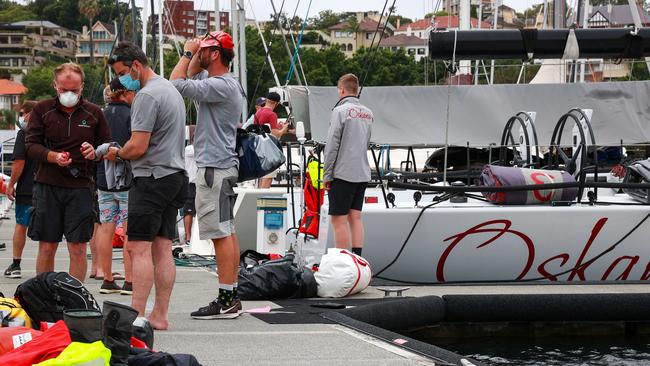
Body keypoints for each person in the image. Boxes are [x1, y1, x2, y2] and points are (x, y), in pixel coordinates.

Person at [105, 41, 187, 330]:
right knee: (163, 247)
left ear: (136, 66)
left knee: (137, 248)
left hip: (151, 178)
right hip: (175, 176)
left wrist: (117, 153)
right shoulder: (170, 90)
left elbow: (138, 146)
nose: (123, 80)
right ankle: (159, 315)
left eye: (123, 73)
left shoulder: (147, 96)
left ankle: (135, 316)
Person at [170, 31, 243, 319]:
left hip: (214, 168)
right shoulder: (222, 83)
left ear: (214, 54)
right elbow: (190, 76)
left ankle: (226, 300)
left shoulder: (220, 85)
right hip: (222, 165)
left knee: (220, 235)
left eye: (205, 49)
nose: (199, 52)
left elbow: (176, 83)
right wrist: (199, 56)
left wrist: (188, 52)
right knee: (228, 232)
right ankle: (231, 297)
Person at [25, 62, 111, 282]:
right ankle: (42, 296)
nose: (69, 94)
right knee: (47, 245)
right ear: (55, 86)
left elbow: (107, 146)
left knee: (78, 246)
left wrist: (94, 152)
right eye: (64, 89)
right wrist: (53, 157)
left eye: (74, 89)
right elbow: (31, 145)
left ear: (82, 86)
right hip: (48, 184)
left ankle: (76, 298)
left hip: (80, 186)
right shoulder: (42, 110)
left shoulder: (94, 113)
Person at [323, 73, 373, 257]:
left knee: (338, 220)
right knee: (355, 218)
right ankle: (358, 259)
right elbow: (367, 141)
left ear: (342, 90)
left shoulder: (339, 111)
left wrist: (327, 175)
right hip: (362, 172)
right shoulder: (368, 113)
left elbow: (332, 145)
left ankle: (343, 264)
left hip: (343, 173)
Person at [95, 78, 135, 295]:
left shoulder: (100, 115)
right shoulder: (132, 114)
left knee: (106, 226)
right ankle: (129, 280)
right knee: (129, 229)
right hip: (127, 178)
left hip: (104, 178)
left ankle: (107, 278)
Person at [4, 100, 37, 278]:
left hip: (27, 187)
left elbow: (19, 162)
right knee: (48, 230)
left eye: (24, 113)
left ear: (31, 113)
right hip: (48, 186)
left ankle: (16, 264)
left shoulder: (23, 134)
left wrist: (11, 185)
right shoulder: (49, 132)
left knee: (21, 225)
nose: (22, 117)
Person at [254, 92, 288, 188]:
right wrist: (283, 129)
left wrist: (278, 126)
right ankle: (263, 200)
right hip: (268, 150)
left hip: (258, 148)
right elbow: (275, 134)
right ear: (276, 103)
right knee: (268, 177)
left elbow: (263, 129)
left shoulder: (258, 112)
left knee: (262, 176)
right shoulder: (272, 114)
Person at [182, 125, 197, 244]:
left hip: (198, 183)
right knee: (188, 210)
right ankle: (188, 236)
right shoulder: (190, 149)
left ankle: (192, 236)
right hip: (191, 183)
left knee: (192, 210)